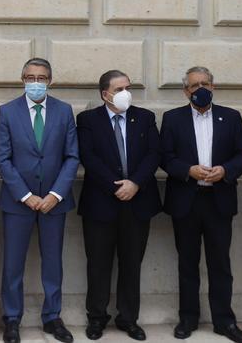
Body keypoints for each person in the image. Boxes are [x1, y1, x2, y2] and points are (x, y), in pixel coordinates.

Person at [159, 66, 242, 343]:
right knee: (188, 263)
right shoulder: (172, 118)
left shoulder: (231, 117)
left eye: (205, 84)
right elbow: (165, 156)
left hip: (218, 199)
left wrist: (225, 170)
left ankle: (224, 321)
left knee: (220, 263)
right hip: (186, 199)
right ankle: (188, 318)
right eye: (194, 85)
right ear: (186, 90)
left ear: (213, 86)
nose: (200, 89)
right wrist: (188, 170)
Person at [0, 58, 80, 343]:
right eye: (30, 77)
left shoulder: (64, 111)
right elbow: (2, 158)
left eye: (41, 78)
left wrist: (55, 195)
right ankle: (12, 318)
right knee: (13, 264)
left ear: (50, 80)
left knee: (53, 262)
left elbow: (71, 156)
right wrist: (27, 196)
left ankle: (52, 317)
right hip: (19, 202)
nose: (35, 82)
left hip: (55, 202)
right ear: (22, 79)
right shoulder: (7, 112)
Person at [75, 70, 160, 341]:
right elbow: (88, 157)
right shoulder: (88, 120)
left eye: (128, 87)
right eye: (119, 88)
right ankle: (97, 317)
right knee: (98, 264)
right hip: (101, 203)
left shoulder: (145, 117)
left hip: (138, 201)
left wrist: (134, 183)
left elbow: (154, 154)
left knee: (132, 263)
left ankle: (128, 318)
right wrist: (116, 187)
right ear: (105, 94)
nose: (126, 92)